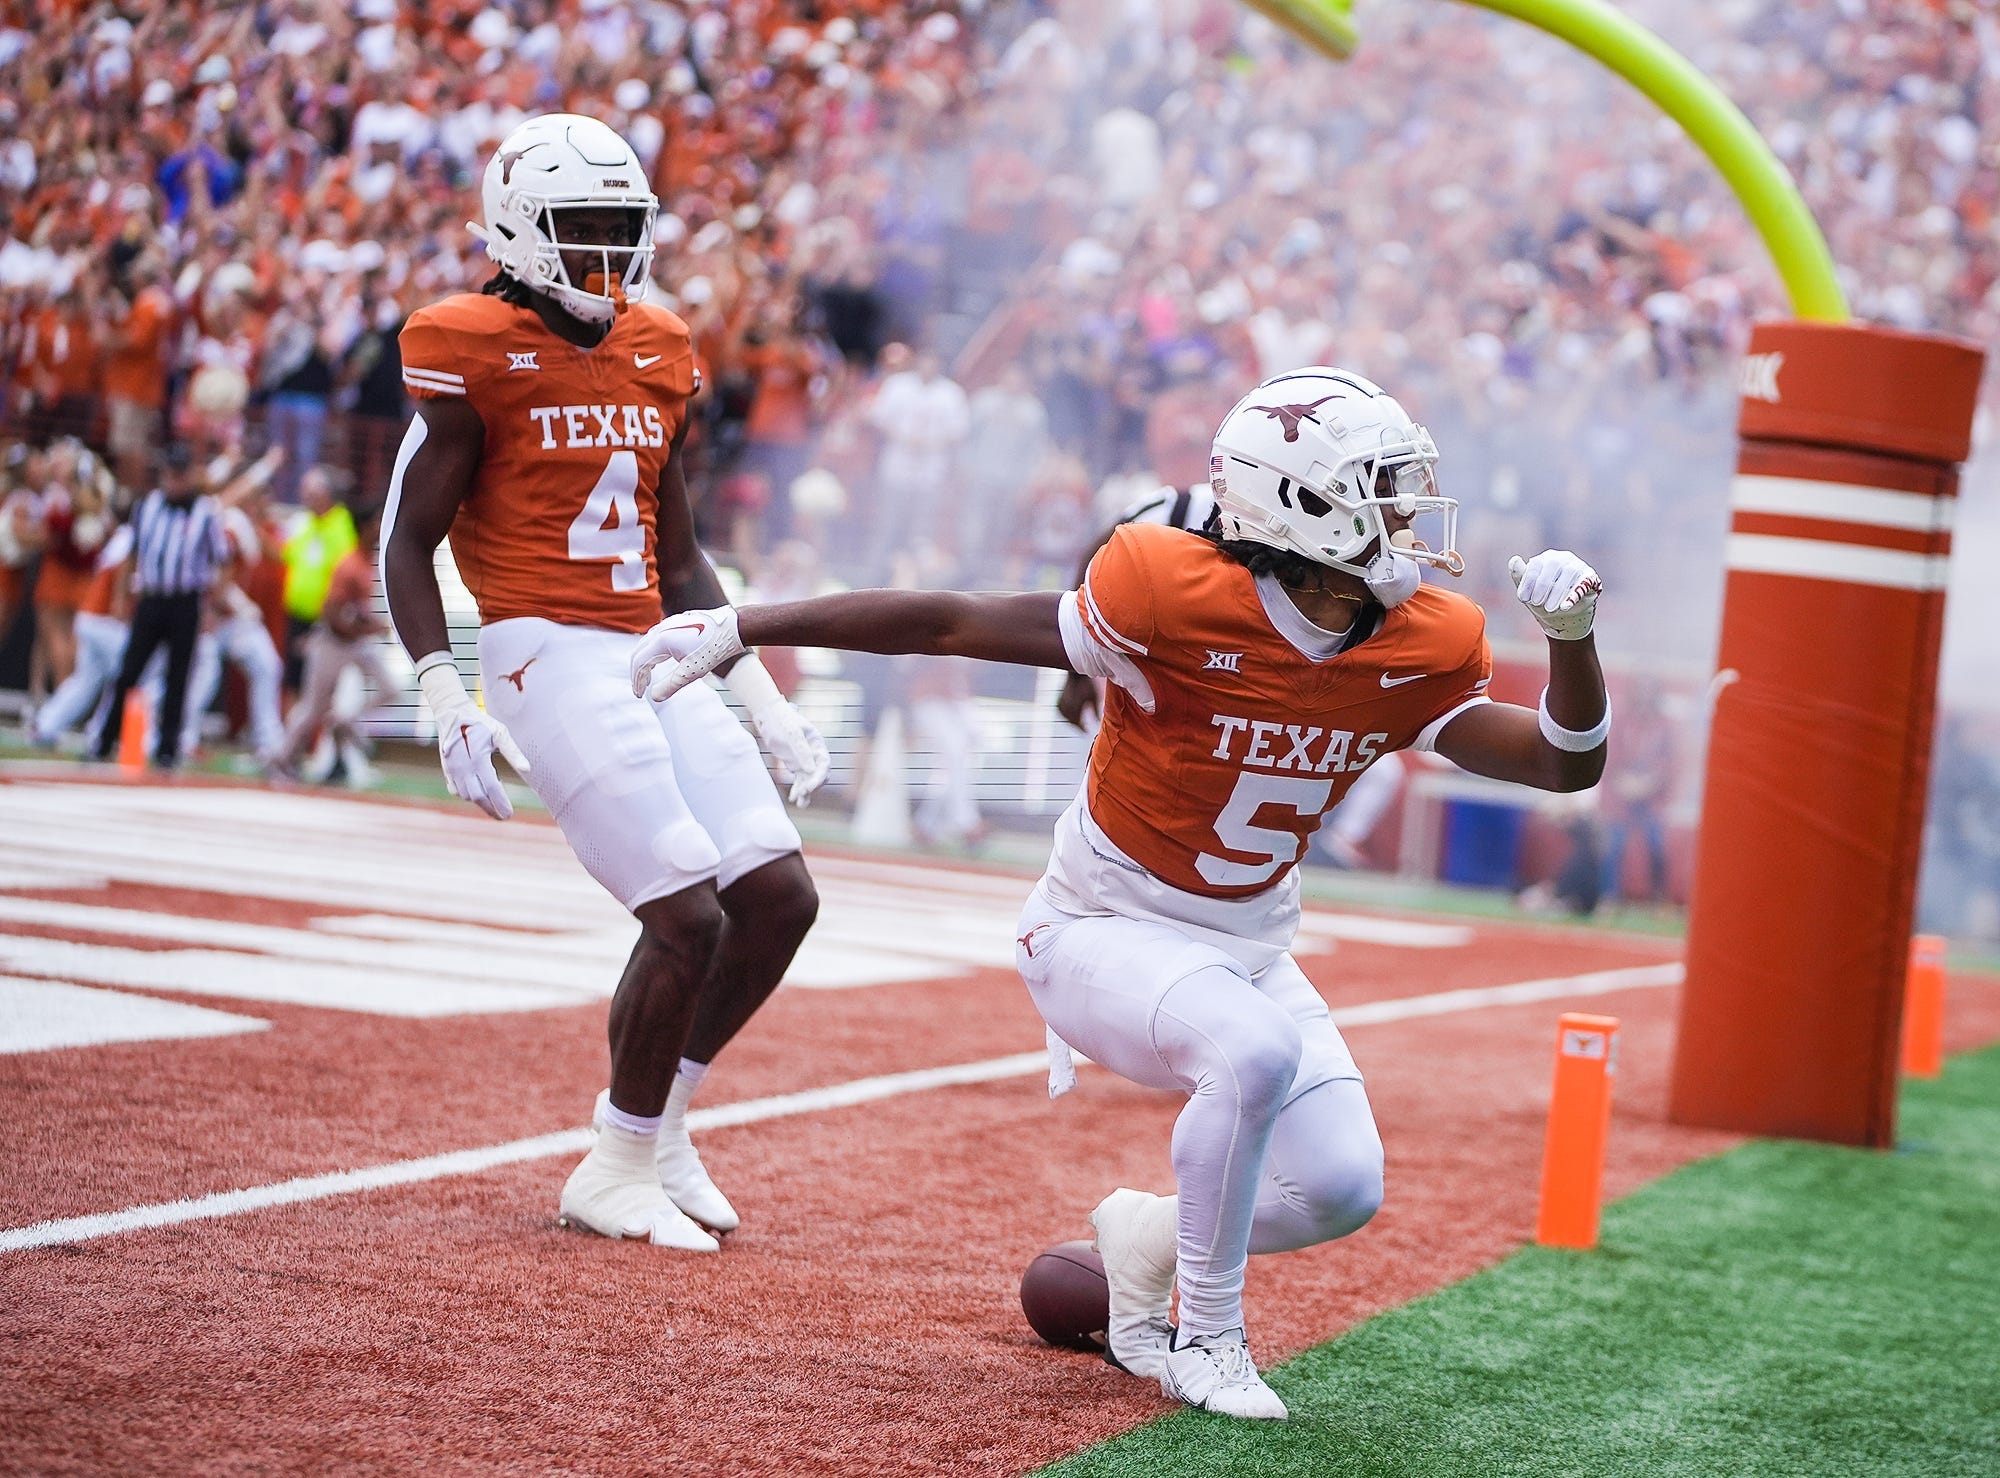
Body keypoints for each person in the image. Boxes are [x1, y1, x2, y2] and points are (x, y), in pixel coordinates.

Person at [633, 367, 1610, 1418]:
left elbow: (1559, 763)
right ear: (1304, 504)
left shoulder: (1421, 637)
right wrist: (745, 625)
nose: (1408, 518)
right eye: (1384, 491)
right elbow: (955, 622)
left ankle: (1144, 1233)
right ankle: (1208, 1338)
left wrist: (1570, 640)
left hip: (1244, 947)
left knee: (1339, 1185)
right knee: (1253, 1050)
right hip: (1100, 927)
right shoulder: (1165, 585)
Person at [380, 114, 827, 1255]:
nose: (604, 253)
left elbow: (677, 555)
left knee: (777, 896)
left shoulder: (660, 341)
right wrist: (444, 690)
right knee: (685, 905)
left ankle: (659, 1124)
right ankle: (613, 1159)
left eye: (619, 230)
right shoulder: (466, 341)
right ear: (522, 229)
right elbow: (406, 540)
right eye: (579, 227)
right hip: (539, 644)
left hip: (644, 643)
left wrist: (757, 690)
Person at [92, 444, 241, 769]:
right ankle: (104, 741)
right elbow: (131, 553)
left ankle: (167, 749)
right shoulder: (147, 506)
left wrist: (214, 602)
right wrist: (121, 596)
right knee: (128, 671)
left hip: (185, 603)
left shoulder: (205, 512)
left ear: (189, 476)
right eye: (168, 475)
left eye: (179, 475)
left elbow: (225, 560)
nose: (173, 482)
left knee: (178, 678)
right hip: (151, 598)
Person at [270, 504, 403, 783]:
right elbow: (332, 612)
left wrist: (369, 627)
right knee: (313, 708)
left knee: (391, 688)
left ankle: (346, 721)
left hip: (355, 641)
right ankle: (281, 759)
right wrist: (366, 630)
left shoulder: (369, 559)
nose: (381, 528)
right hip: (333, 641)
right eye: (376, 523)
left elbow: (357, 610)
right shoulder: (349, 563)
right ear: (364, 528)